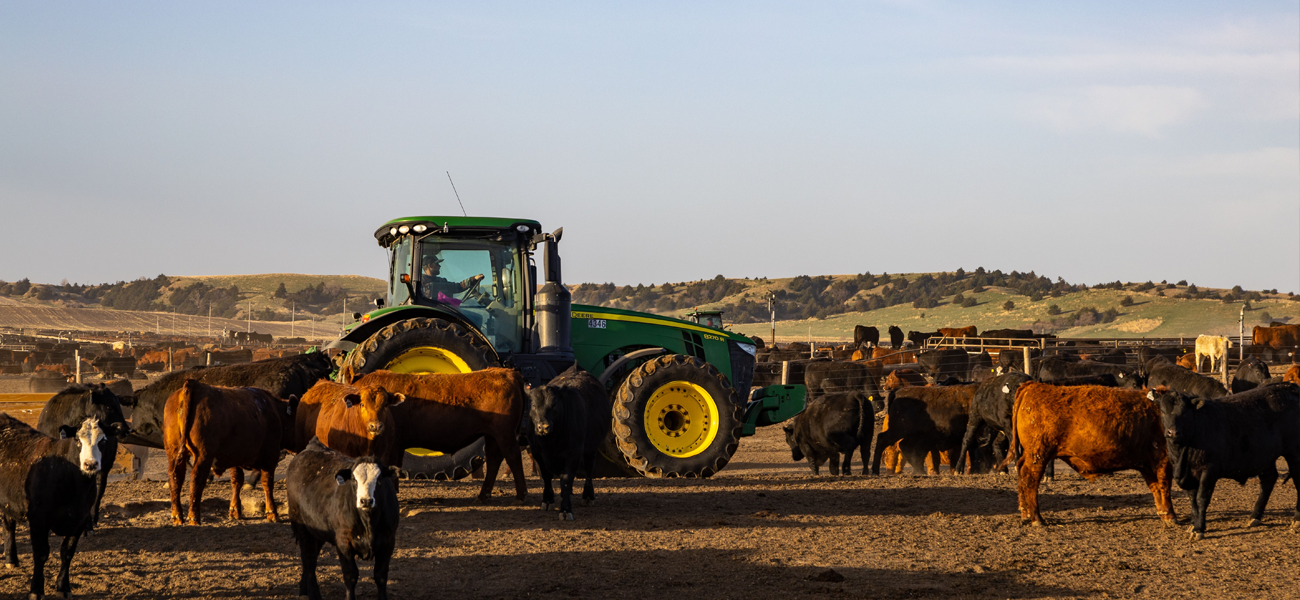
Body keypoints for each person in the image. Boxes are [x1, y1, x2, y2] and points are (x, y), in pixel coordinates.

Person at [419, 251, 485, 303]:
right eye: (437, 264)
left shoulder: (441, 281)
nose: (439, 266)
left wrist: (473, 279)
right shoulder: (420, 282)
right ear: (430, 266)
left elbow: (458, 287)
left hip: (444, 310)